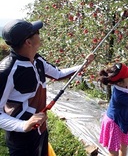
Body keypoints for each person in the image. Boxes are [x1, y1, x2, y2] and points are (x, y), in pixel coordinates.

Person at [0, 19, 95, 156]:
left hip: (40, 129)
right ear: (28, 42)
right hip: (21, 139)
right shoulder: (7, 71)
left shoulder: (37, 60)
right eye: (37, 32)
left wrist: (84, 65)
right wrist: (23, 125)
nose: (40, 35)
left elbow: (58, 74)